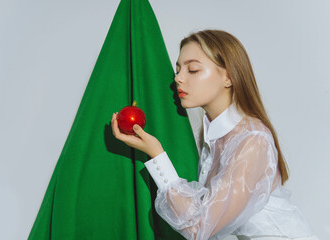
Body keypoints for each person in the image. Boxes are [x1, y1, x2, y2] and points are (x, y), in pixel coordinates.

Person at [111, 29, 319, 240]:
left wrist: (156, 155)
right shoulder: (209, 133)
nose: (178, 79)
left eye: (192, 70)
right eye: (178, 69)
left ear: (228, 77)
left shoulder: (252, 140)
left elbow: (200, 227)